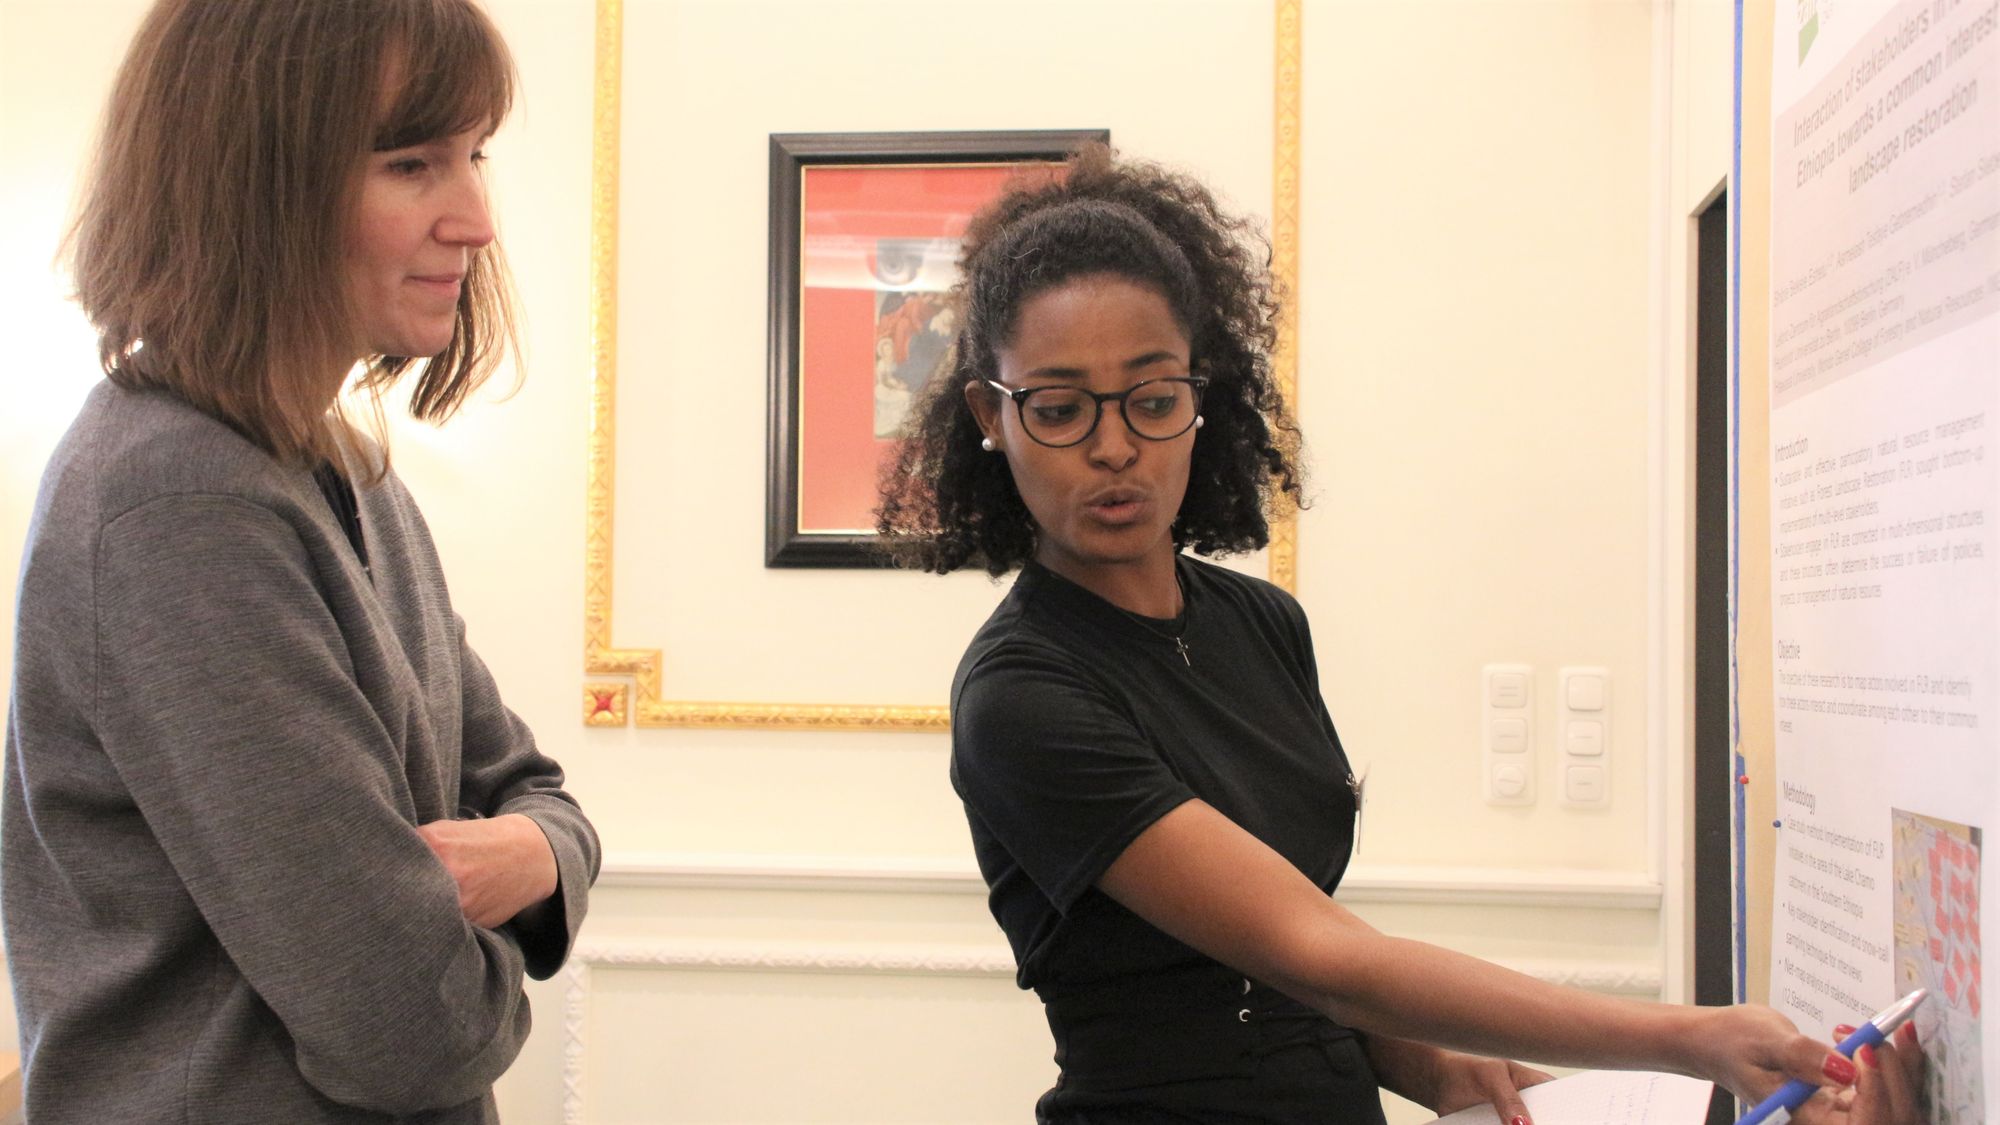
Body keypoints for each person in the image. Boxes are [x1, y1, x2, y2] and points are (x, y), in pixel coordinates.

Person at [877, 146, 1923, 1124]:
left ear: (1199, 396)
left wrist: (1425, 1057)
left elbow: (1283, 964)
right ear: (990, 413)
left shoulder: (1259, 623)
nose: (1114, 447)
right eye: (1060, 410)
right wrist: (1692, 1039)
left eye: (1152, 398)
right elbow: (1313, 951)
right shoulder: (1021, 694)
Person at [2, 1, 599, 1121]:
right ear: (253, 181)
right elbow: (410, 1028)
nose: (476, 220)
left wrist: (537, 851)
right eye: (410, 163)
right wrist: (491, 952)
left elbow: (531, 789)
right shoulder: (177, 500)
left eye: (474, 156)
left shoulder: (350, 476)